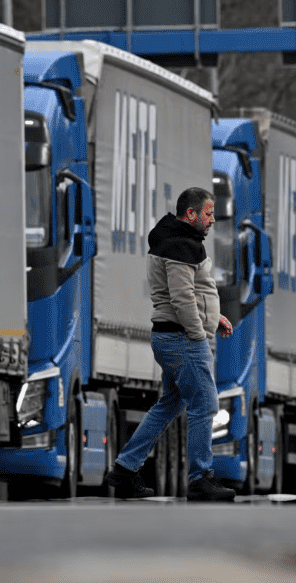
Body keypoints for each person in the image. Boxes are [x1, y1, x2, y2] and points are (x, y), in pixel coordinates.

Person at [105, 187, 236, 502]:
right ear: (190, 214)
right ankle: (200, 478)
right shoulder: (179, 245)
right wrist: (197, 332)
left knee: (170, 404)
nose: (212, 220)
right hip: (182, 337)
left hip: (173, 334)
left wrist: (213, 317)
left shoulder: (177, 242)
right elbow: (181, 296)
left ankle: (125, 469)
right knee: (205, 404)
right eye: (207, 213)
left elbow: (190, 292)